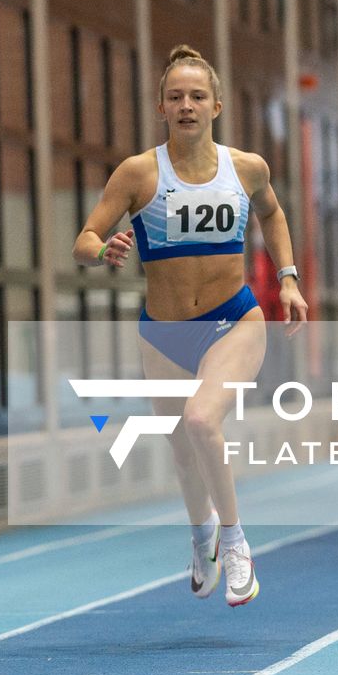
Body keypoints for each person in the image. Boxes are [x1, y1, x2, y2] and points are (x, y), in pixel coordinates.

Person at [76, 45, 307, 607]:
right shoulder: (138, 173)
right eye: (176, 97)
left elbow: (272, 213)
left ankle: (236, 543)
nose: (187, 105)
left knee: (203, 420)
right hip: (163, 331)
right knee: (181, 450)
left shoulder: (246, 167)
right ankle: (201, 533)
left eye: (197, 96)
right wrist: (103, 249)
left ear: (216, 106)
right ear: (161, 107)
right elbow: (83, 241)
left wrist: (289, 277)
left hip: (234, 320)